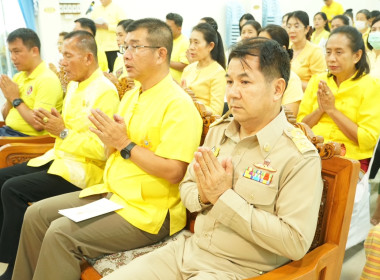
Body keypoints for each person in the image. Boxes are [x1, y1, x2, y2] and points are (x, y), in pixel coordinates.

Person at [101, 37, 323, 280]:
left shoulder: (297, 156)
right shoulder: (220, 131)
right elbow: (186, 186)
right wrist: (204, 196)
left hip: (238, 269)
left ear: (277, 89)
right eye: (229, 81)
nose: (233, 93)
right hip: (188, 251)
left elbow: (294, 242)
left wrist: (223, 198)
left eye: (245, 82)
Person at [12, 18, 203, 280]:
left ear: (161, 54)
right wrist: (109, 142)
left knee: (60, 234)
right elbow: (107, 151)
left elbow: (174, 172)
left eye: (135, 47)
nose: (126, 55)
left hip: (149, 211)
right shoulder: (132, 95)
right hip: (113, 193)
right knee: (35, 215)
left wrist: (124, 144)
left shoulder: (178, 105)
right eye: (125, 47)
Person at [0, 30, 120, 280]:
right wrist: (60, 129)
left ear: (88, 58)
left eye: (68, 55)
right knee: (2, 179)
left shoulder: (105, 91)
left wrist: (63, 132)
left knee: (13, 189)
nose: (62, 62)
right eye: (61, 55)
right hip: (59, 159)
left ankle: (15, 268)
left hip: (83, 171)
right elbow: (63, 129)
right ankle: (7, 251)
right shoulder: (75, 85)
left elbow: (102, 150)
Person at [297, 26, 380, 173]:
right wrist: (320, 110)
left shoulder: (371, 86)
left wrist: (332, 111)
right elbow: (300, 128)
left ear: (357, 56)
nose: (331, 58)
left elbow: (367, 140)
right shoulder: (318, 80)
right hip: (310, 154)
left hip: (349, 160)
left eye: (339, 52)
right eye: (328, 52)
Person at [0, 28, 63, 137]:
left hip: (26, 140)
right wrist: (9, 98)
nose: (12, 57)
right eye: (11, 52)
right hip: (8, 133)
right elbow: (7, 118)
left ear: (34, 51)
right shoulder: (18, 77)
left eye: (17, 51)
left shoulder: (47, 80)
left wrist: (15, 99)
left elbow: (38, 124)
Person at [182, 22, 226, 115]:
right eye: (190, 42)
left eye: (196, 43)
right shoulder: (188, 69)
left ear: (210, 46)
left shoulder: (218, 73)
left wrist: (194, 102)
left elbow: (216, 112)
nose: (191, 47)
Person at [259, 24, 303, 116]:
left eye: (265, 46)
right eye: (257, 45)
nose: (259, 50)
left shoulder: (292, 79)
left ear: (282, 50)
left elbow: (289, 117)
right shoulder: (255, 74)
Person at [286, 10, 326, 91]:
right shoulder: (286, 48)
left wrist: (290, 82)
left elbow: (319, 84)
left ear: (307, 29)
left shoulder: (315, 51)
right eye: (289, 26)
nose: (292, 30)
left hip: (305, 99)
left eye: (296, 26)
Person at [89, 0, 126, 72]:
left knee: (114, 71)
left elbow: (125, 27)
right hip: (99, 48)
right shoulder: (96, 10)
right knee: (100, 71)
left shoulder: (117, 9)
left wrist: (108, 27)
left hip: (112, 47)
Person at [165, 13, 189, 83]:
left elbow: (185, 66)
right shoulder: (165, 40)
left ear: (179, 29)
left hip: (177, 86)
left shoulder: (184, 42)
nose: (166, 29)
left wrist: (165, 61)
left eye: (169, 27)